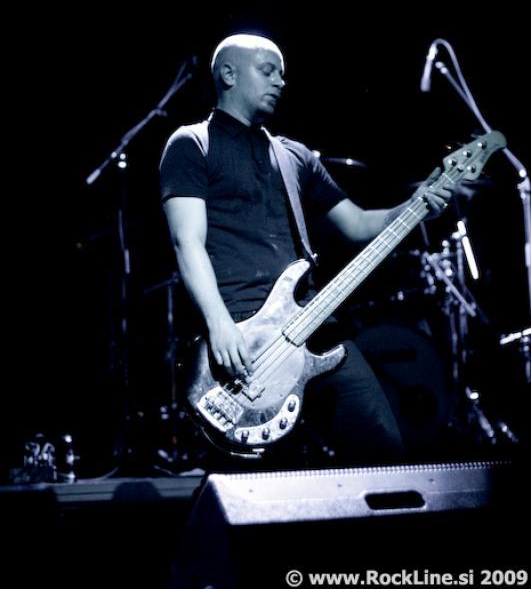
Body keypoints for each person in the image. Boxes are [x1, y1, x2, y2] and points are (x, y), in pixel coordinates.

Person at [160, 33, 454, 467]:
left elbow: (357, 224)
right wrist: (219, 324)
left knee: (383, 452)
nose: (280, 82)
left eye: (281, 74)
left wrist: (416, 205)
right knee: (255, 483)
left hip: (314, 327)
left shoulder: (293, 155)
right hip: (242, 340)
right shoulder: (192, 144)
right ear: (229, 74)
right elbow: (187, 242)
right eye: (268, 71)